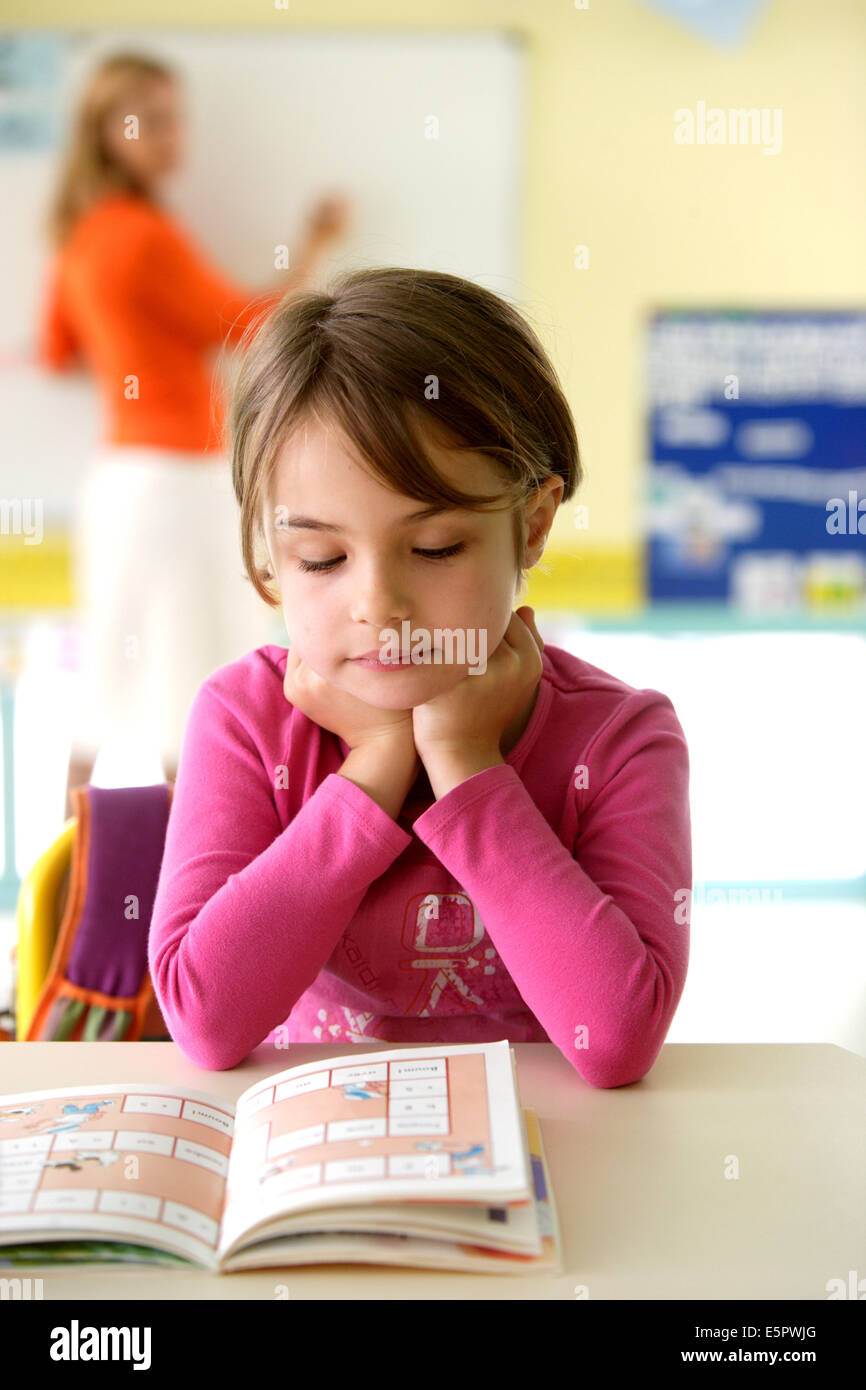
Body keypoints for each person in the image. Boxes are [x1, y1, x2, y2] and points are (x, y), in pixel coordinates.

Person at [147, 266, 692, 1088]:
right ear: (271, 564)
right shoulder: (243, 719)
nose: (378, 604)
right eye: (321, 558)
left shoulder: (620, 741)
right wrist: (374, 763)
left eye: (435, 548)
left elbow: (615, 1041)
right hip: (316, 1163)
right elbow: (206, 1022)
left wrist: (467, 760)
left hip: (553, 1169)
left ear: (532, 524)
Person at [35, 52, 350, 816]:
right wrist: (317, 244)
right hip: (182, 478)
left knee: (110, 677)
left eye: (177, 118)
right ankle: (194, 895)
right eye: (153, 120)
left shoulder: (81, 237)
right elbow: (248, 324)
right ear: (108, 133)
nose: (174, 137)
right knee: (204, 679)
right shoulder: (142, 234)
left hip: (121, 481)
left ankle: (69, 891)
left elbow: (54, 351)